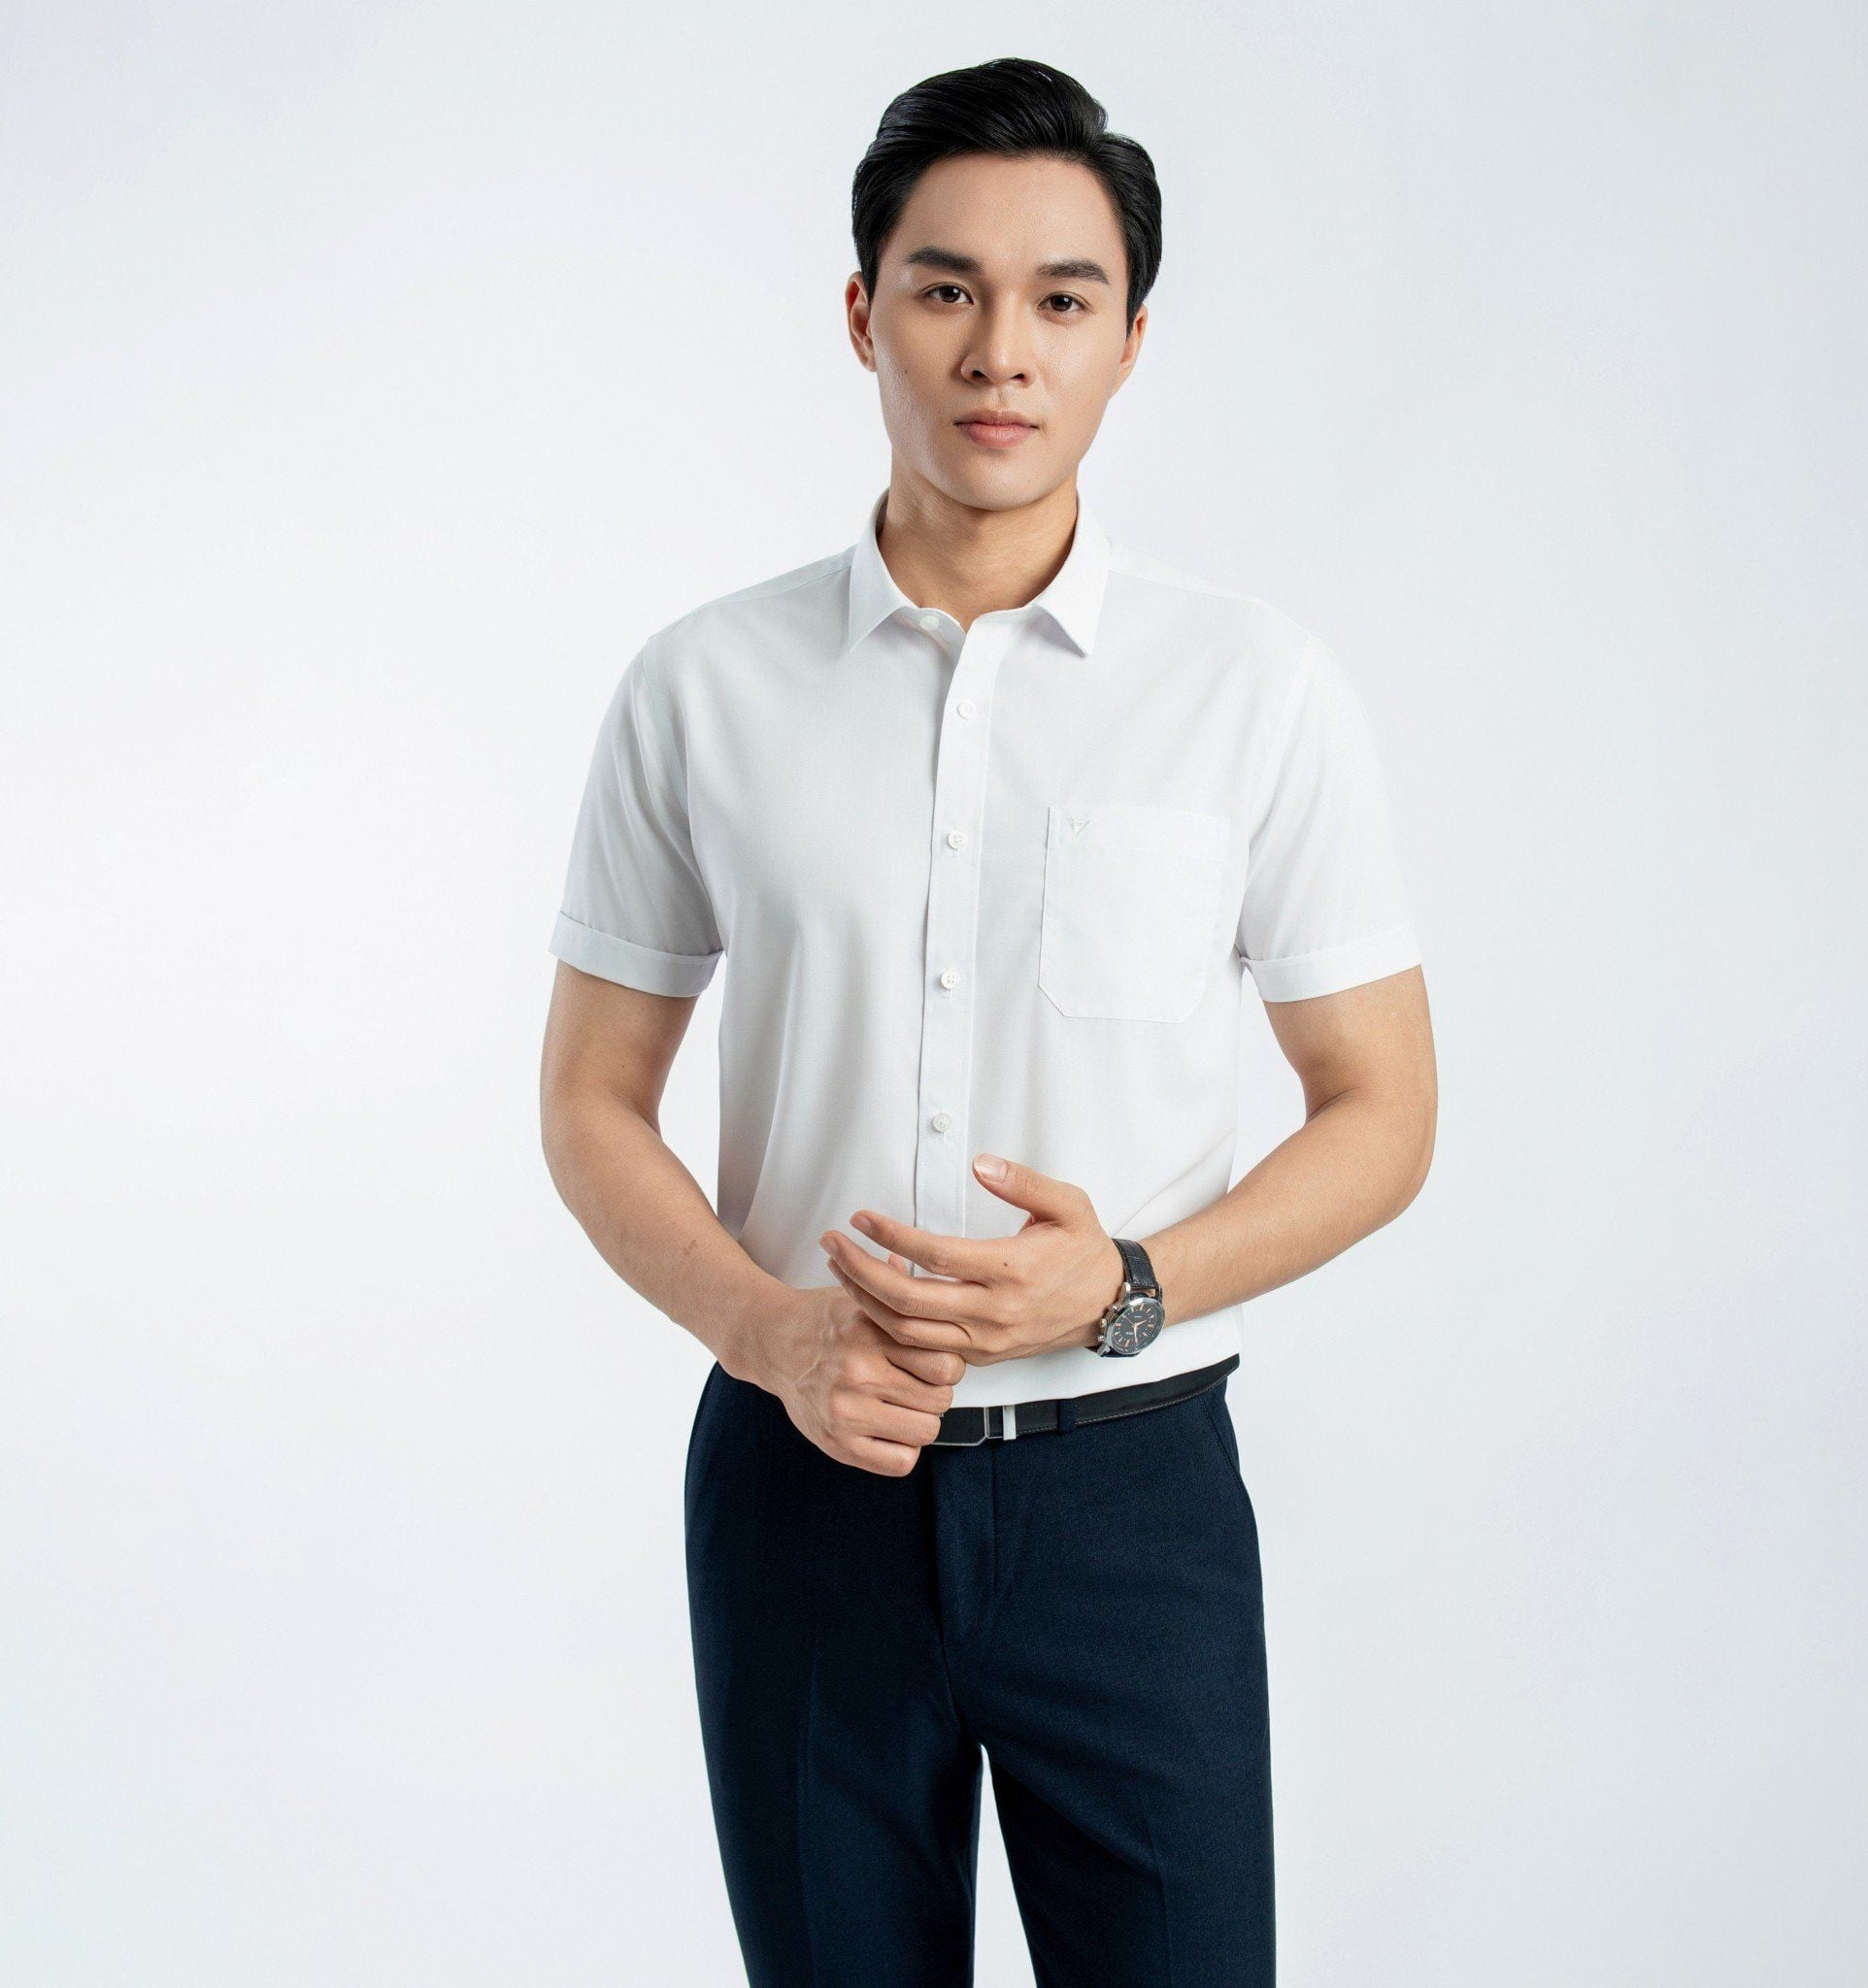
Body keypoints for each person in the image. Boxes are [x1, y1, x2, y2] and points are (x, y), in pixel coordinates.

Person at [540, 54, 1437, 1988]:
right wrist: (767, 1331)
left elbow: (1380, 1108)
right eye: (945, 288)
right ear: (864, 315)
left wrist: (1125, 1282)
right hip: (803, 1488)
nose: (999, 350)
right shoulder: (703, 687)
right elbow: (592, 1101)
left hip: (1129, 1496)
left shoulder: (1251, 691)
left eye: (1061, 299)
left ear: (1129, 342)